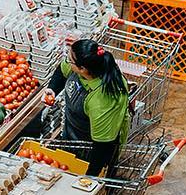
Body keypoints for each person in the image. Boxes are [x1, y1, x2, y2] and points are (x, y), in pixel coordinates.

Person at [55, 39, 132, 179]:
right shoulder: (85, 65)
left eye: (70, 60)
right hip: (73, 132)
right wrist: (51, 89)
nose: (67, 61)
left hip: (94, 147)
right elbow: (62, 69)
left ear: (82, 69)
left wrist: (90, 177)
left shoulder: (102, 100)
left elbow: (102, 146)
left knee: (99, 177)